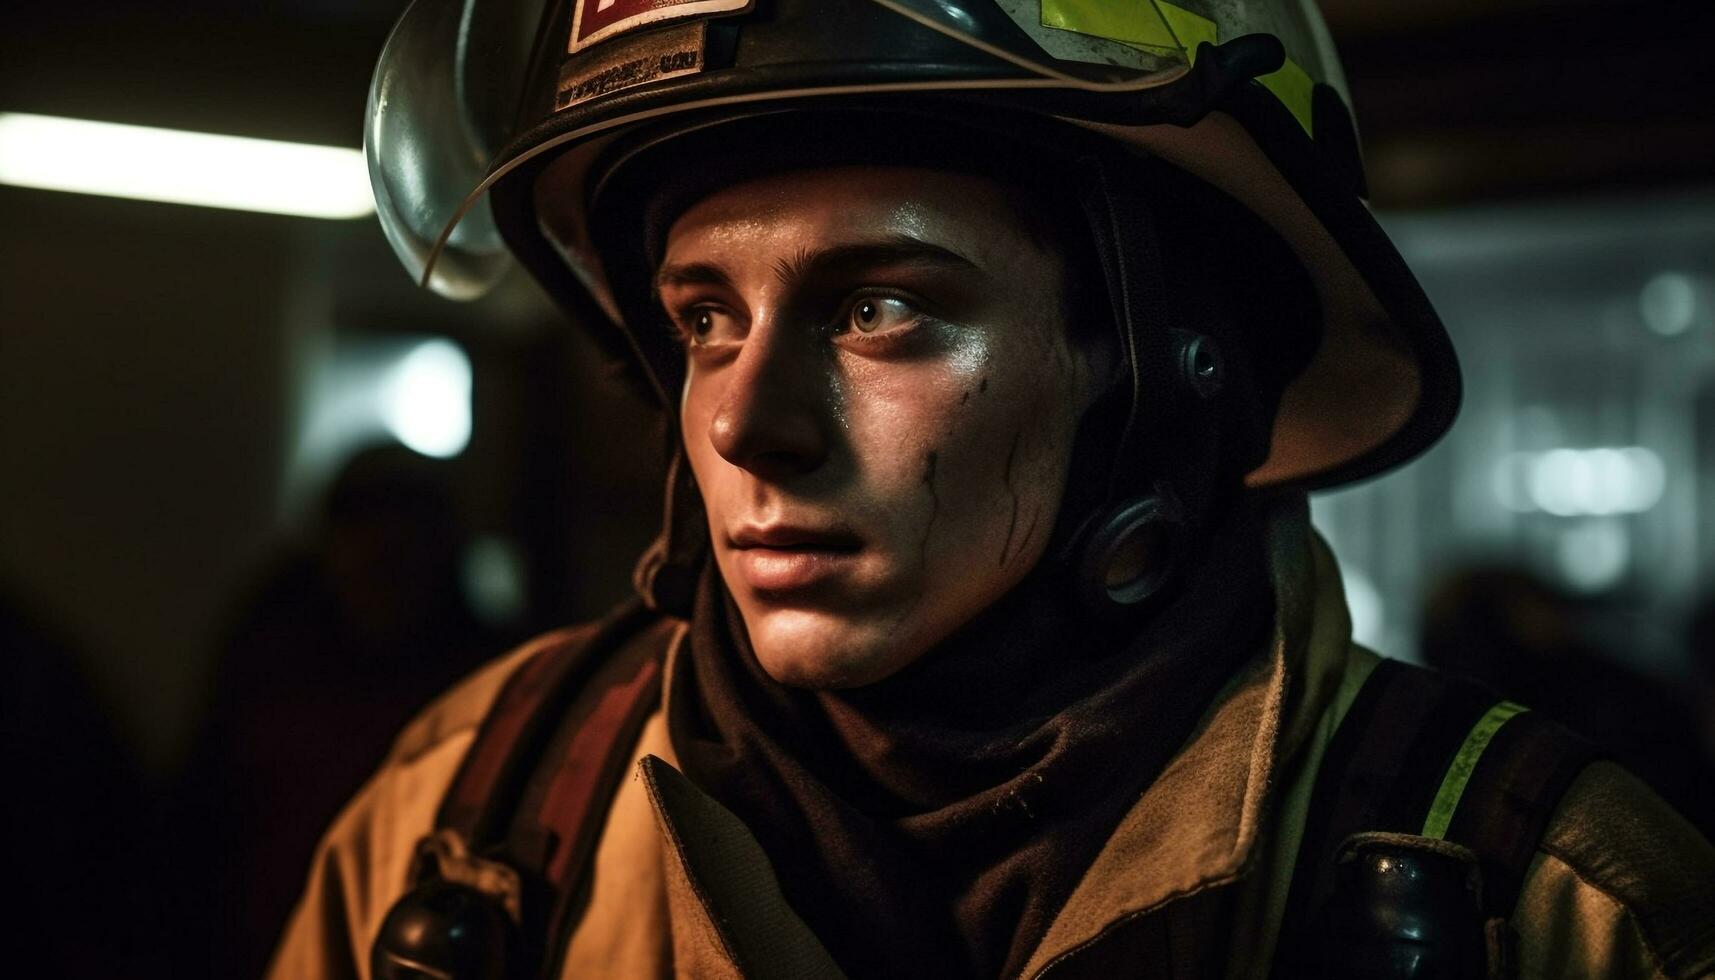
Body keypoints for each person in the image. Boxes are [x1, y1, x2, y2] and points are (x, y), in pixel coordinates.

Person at [271, 1, 1715, 977]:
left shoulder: (1548, 908)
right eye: (706, 316)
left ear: (1162, 375)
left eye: (880, 307)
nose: (743, 423)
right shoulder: (465, 824)